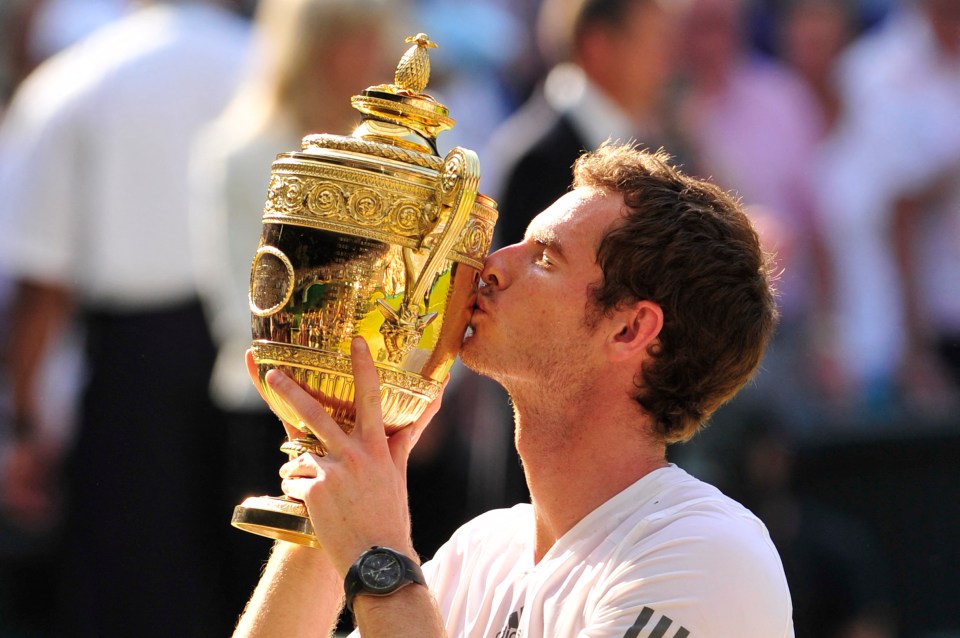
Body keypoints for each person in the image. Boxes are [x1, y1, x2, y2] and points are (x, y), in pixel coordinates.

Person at [232, 142, 794, 637]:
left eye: (545, 257)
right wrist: (332, 491)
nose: (490, 266)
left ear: (629, 329)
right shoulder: (483, 551)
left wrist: (376, 555)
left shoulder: (707, 555)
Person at [0, 1, 250, 635]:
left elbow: (43, 283)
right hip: (255, 350)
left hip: (136, 364)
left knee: (135, 582)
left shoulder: (78, 78)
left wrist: (23, 423)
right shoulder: (262, 61)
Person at [188, 0, 399, 620]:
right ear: (315, 49)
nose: (372, 58)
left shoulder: (398, 166)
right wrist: (315, 391)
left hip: (375, 419)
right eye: (355, 40)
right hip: (266, 407)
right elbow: (238, 300)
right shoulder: (240, 153)